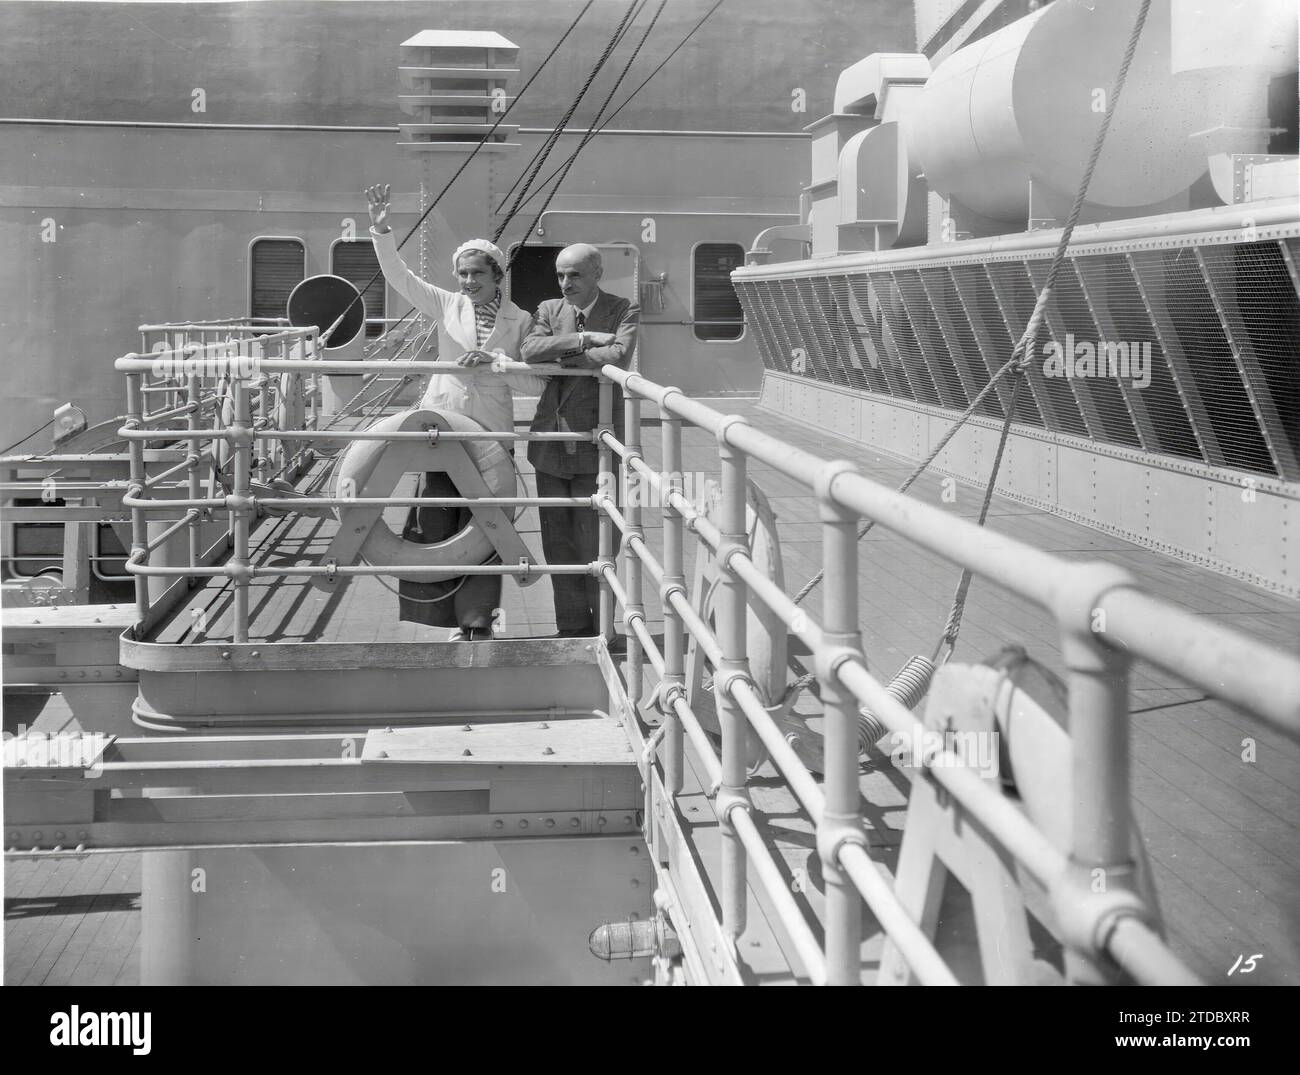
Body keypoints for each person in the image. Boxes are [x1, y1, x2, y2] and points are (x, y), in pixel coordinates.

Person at [364, 183, 546, 640]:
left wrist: (498, 363)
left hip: (489, 433)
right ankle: (444, 621)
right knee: (435, 520)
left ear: (498, 275)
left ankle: (478, 622)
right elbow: (399, 276)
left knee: (483, 529)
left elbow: (535, 382)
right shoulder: (447, 305)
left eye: (477, 274)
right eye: (463, 273)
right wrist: (381, 228)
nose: (468, 281)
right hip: (441, 430)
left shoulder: (521, 322)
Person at [521, 244, 639, 637]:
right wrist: (586, 339)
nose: (565, 283)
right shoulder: (548, 309)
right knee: (558, 545)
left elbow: (620, 354)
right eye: (560, 275)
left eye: (574, 275)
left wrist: (565, 356)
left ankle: (604, 630)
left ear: (597, 275)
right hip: (551, 442)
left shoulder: (624, 308)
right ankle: (571, 629)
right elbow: (530, 350)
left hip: (597, 441)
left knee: (598, 542)